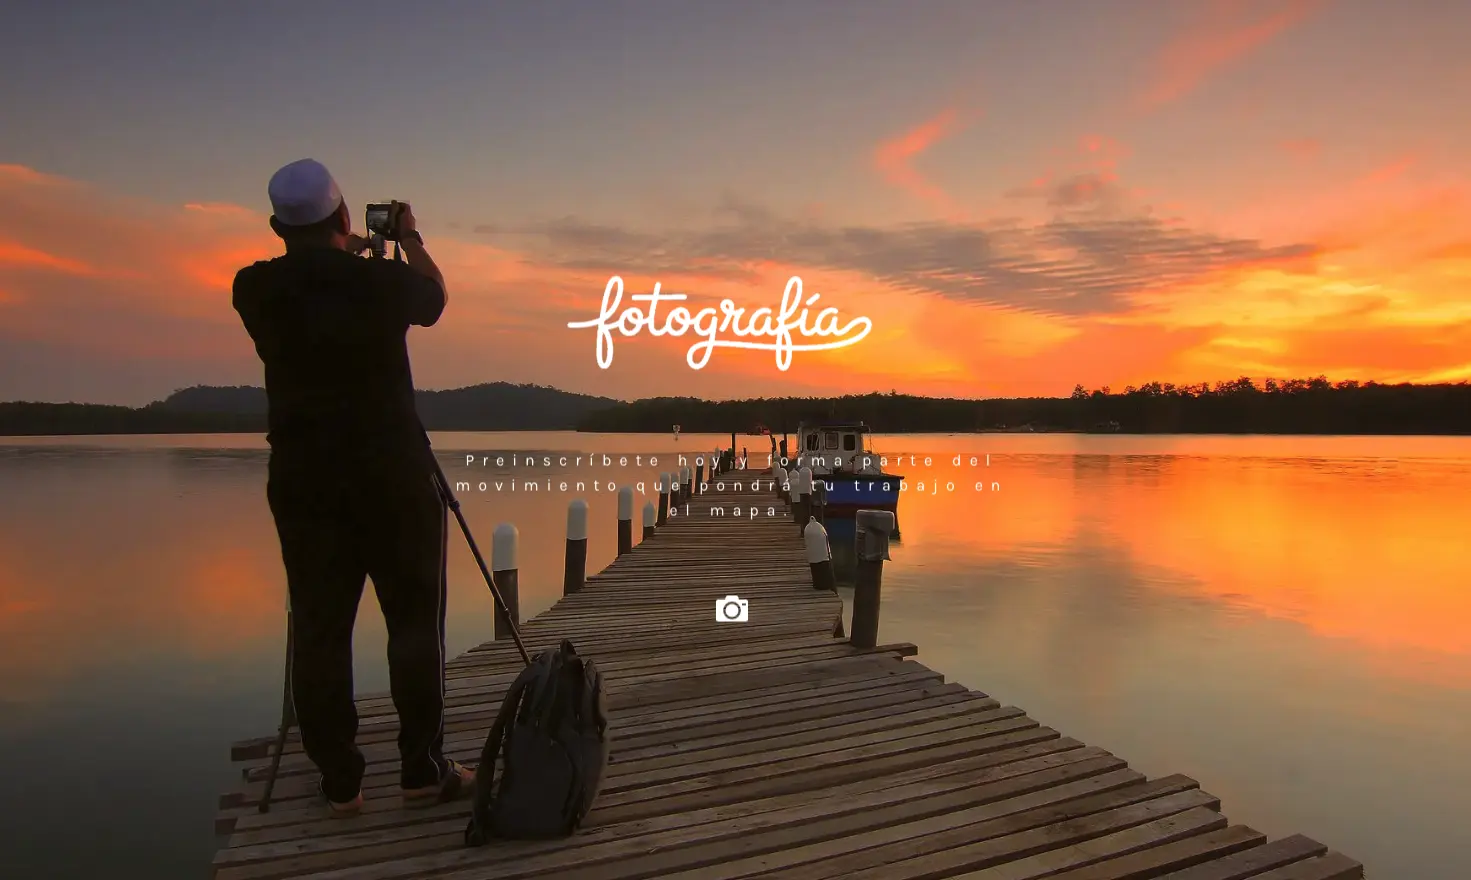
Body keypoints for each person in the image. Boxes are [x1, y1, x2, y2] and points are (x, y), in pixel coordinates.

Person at [232, 158, 473, 817]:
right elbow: (434, 298)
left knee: (319, 629)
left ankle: (340, 783)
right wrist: (407, 238)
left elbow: (316, 283)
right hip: (393, 476)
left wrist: (348, 253)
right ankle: (422, 771)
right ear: (343, 214)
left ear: (278, 226)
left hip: (305, 482)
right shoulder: (382, 282)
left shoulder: (253, 287)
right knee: (414, 624)